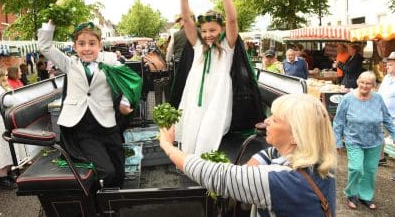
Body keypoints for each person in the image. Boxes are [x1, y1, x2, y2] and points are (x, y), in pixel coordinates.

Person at [159, 93, 337, 216]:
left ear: (296, 137)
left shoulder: (279, 181)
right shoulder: (320, 160)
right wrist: (250, 169)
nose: (266, 121)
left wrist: (168, 146)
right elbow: (273, 152)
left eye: (275, 119)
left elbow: (216, 175)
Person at [38, 20, 135, 188]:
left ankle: (113, 202)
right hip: (82, 128)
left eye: (92, 43)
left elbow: (130, 80)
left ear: (100, 45)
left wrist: (124, 103)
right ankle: (97, 204)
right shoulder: (69, 64)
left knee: (119, 169)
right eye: (81, 44)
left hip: (106, 124)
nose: (87, 48)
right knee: (107, 171)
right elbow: (45, 46)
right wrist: (50, 25)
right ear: (74, 47)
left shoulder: (110, 61)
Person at [172, 0, 239, 155]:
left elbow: (232, 19)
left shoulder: (227, 48)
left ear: (221, 30)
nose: (208, 35)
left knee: (210, 134)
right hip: (194, 95)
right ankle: (191, 166)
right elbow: (186, 19)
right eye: (204, 31)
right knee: (191, 129)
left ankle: (208, 172)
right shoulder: (198, 47)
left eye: (213, 30)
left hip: (217, 97)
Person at [333, 71, 395, 210]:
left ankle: (365, 196)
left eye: (368, 83)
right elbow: (338, 121)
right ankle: (351, 194)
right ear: (357, 82)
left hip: (374, 141)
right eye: (362, 82)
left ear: (373, 85)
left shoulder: (378, 98)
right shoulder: (348, 98)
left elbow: (387, 118)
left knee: (370, 170)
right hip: (354, 140)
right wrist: (337, 140)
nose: (365, 86)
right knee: (356, 168)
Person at [377, 52, 395, 168]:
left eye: (390, 64)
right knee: (378, 135)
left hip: (393, 117)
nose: (386, 66)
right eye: (387, 64)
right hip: (382, 114)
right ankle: (380, 158)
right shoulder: (387, 77)